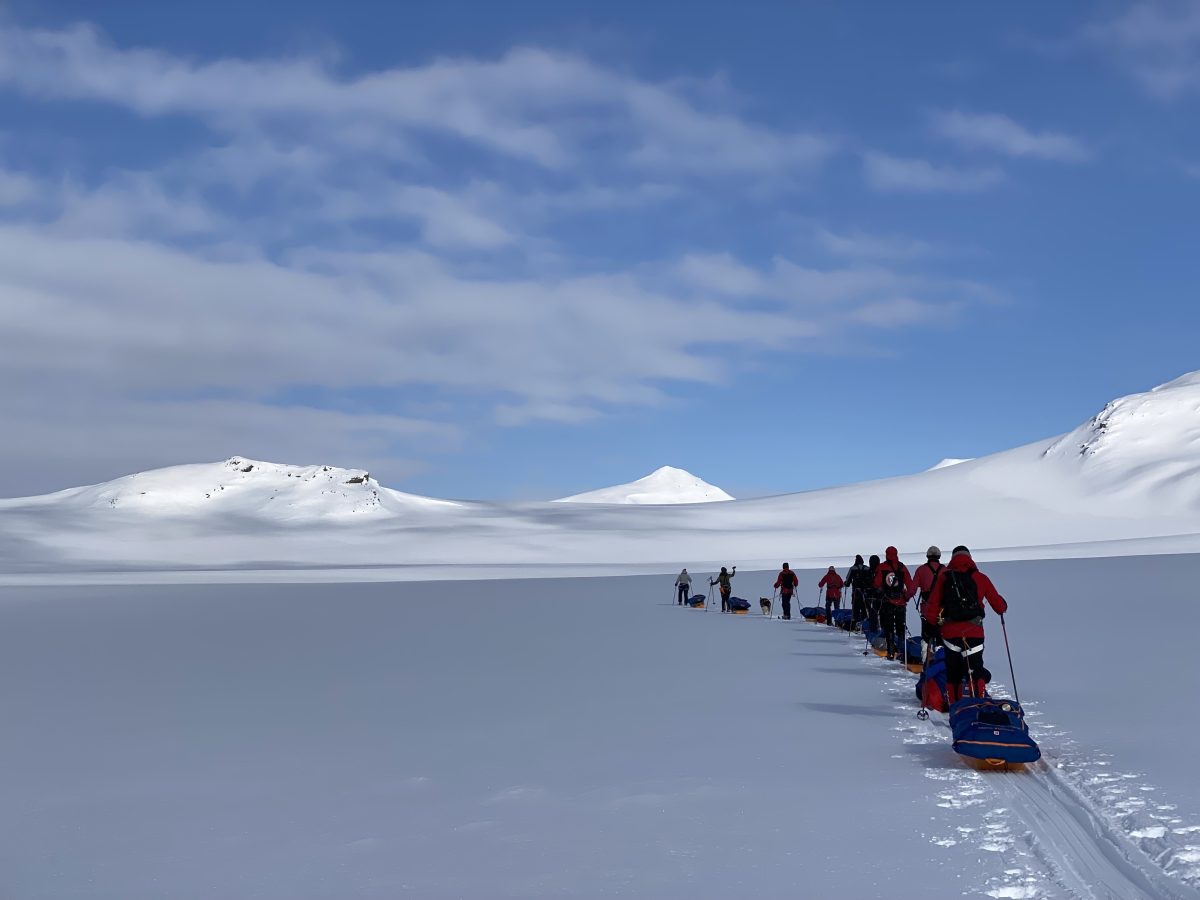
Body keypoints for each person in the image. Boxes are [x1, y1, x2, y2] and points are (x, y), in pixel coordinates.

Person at [922, 545, 1008, 703]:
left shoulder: (944, 578)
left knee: (953, 672)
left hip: (950, 634)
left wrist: (931, 625)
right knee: (976, 669)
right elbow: (999, 606)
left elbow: (932, 607)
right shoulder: (981, 578)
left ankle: (955, 706)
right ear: (970, 558)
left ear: (952, 559)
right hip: (974, 632)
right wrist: (1002, 605)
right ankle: (978, 704)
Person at [873, 546, 915, 660]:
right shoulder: (902, 567)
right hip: (901, 602)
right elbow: (911, 585)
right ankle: (902, 651)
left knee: (888, 626)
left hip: (887, 602)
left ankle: (890, 651)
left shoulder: (882, 567)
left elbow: (876, 584)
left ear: (886, 554)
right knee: (901, 627)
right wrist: (906, 597)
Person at [912, 547, 945, 648]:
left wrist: (905, 597)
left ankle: (926, 658)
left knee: (926, 636)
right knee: (941, 634)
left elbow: (912, 589)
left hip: (926, 608)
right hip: (942, 609)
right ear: (939, 556)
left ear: (928, 556)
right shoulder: (945, 570)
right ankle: (941, 657)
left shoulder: (921, 570)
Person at [845, 554, 870, 625]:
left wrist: (846, 584)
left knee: (856, 608)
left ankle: (855, 624)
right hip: (866, 592)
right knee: (865, 608)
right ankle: (864, 624)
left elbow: (848, 581)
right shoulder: (867, 568)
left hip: (856, 592)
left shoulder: (853, 568)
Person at [864, 554, 882, 632]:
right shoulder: (882, 571)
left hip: (870, 597)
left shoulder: (868, 572)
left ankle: (873, 631)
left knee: (872, 615)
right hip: (882, 596)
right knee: (882, 614)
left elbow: (865, 584)